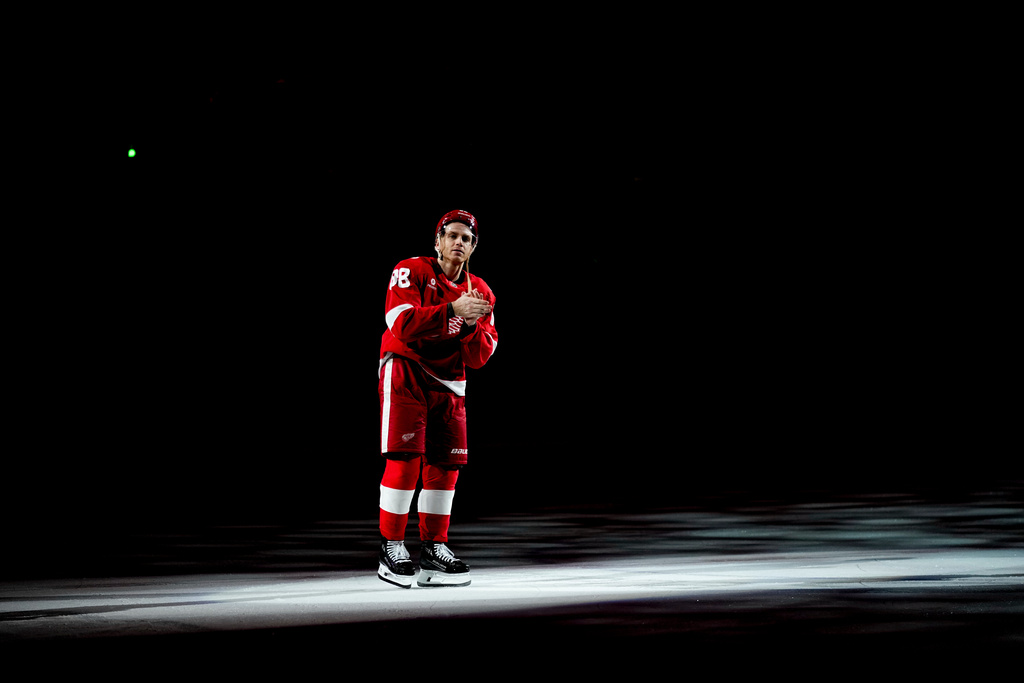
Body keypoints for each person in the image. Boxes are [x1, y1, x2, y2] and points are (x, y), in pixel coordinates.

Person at [377, 209, 497, 588]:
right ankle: (391, 546)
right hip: (407, 369)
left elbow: (479, 358)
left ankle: (434, 548)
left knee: (446, 466)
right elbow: (400, 323)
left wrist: (473, 324)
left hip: (451, 382)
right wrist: (452, 311)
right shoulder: (410, 270)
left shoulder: (482, 292)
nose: (458, 242)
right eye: (452, 235)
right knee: (406, 458)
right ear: (438, 241)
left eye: (466, 238)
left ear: (473, 247)